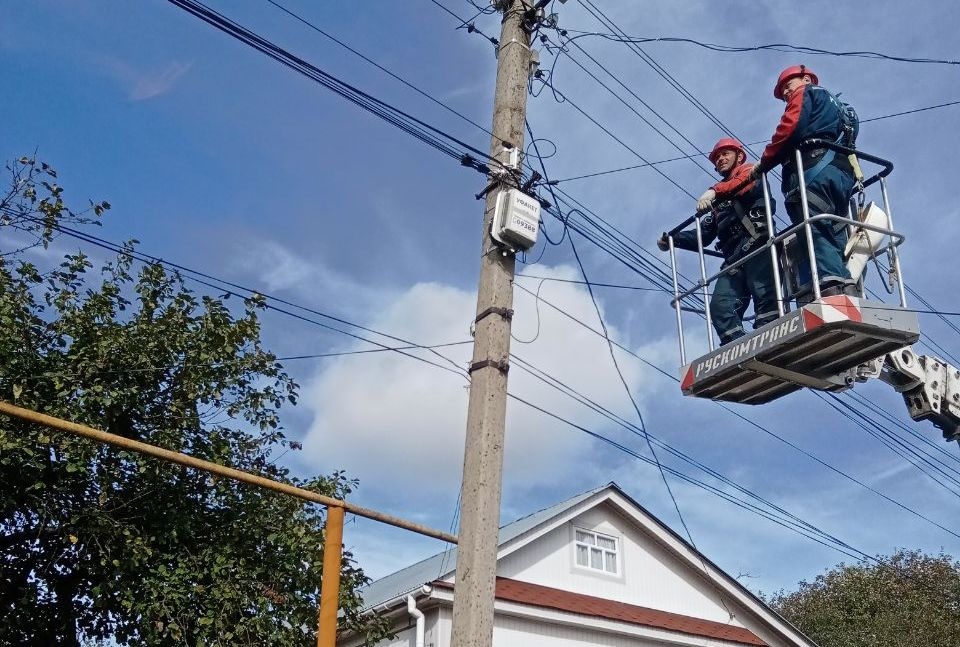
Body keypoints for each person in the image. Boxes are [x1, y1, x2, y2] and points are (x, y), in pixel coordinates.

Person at [658, 138, 779, 345]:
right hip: (734, 258)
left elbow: (743, 184)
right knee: (721, 306)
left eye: (725, 154)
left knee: (765, 299)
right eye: (717, 157)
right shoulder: (718, 200)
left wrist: (714, 191)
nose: (721, 159)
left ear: (739, 156)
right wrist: (673, 239)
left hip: (757, 245)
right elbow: (704, 235)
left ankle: (771, 339)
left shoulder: (749, 171)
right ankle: (738, 345)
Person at [752, 65, 857, 295]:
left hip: (813, 172)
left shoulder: (807, 93)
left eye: (787, 87)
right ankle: (847, 285)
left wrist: (765, 161)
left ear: (806, 78)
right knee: (835, 230)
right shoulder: (841, 107)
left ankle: (830, 286)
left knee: (815, 228)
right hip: (841, 174)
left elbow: (790, 128)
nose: (786, 94)